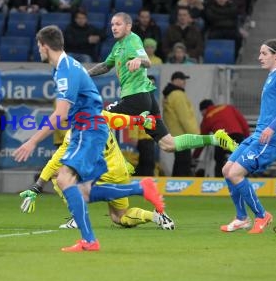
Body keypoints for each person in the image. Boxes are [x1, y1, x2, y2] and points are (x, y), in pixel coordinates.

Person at [14, 25, 164, 252]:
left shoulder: (66, 71)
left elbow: (60, 115)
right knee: (82, 191)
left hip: (88, 130)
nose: (38, 50)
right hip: (85, 130)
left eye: (38, 46)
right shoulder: (64, 67)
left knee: (64, 180)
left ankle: (91, 239)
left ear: (44, 45)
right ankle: (139, 190)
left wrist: (32, 141)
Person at [87, 12, 236, 157]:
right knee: (168, 144)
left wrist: (139, 61)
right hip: (147, 98)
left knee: (100, 120)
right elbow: (106, 66)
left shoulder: (132, 40)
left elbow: (147, 61)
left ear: (128, 26)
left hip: (136, 97)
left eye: (118, 24)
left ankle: (114, 166)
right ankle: (215, 138)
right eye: (112, 24)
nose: (114, 27)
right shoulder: (117, 47)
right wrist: (85, 74)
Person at [20, 110, 175, 230]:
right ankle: (156, 216)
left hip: (102, 175)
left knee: (60, 176)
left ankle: (77, 217)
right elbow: (125, 119)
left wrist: (37, 187)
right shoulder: (102, 115)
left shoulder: (75, 135)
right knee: (120, 218)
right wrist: (142, 120)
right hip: (120, 172)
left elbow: (55, 162)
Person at [221, 39, 276, 234]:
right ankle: (241, 218)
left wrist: (271, 128)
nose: (259, 57)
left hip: (269, 139)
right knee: (227, 169)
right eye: (260, 53)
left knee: (236, 174)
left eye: (264, 53)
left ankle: (262, 215)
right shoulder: (273, 75)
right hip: (258, 135)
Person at [196, 99, 250, 177]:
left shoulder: (207, 117)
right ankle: (244, 178)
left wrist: (195, 156)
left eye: (202, 113)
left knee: (219, 159)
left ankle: (219, 180)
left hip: (222, 138)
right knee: (241, 158)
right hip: (237, 135)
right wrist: (248, 139)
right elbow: (243, 123)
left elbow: (202, 140)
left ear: (204, 110)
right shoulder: (228, 107)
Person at [162, 71, 200, 176]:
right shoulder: (178, 95)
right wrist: (194, 134)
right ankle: (181, 186)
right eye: (182, 80)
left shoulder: (168, 95)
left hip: (175, 133)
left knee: (179, 161)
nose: (184, 82)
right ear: (176, 81)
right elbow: (185, 117)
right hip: (183, 134)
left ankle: (175, 184)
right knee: (184, 162)